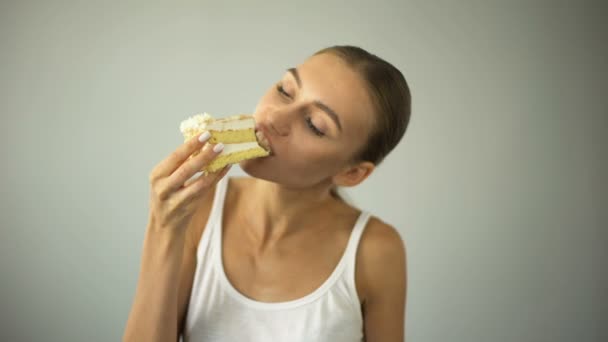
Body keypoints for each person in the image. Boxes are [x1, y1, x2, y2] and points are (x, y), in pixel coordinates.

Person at [124, 45, 411, 342]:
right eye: (285, 90)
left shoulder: (376, 251)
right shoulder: (197, 208)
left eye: (314, 124)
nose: (275, 117)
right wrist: (163, 228)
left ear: (352, 173)